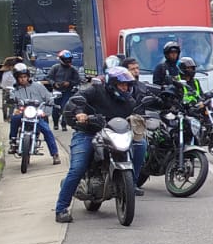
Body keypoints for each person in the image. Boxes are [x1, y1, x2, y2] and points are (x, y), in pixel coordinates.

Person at [54, 66, 146, 223]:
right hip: (88, 132)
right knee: (78, 167)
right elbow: (77, 99)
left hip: (115, 133)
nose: (125, 88)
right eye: (122, 85)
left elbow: (139, 110)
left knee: (141, 144)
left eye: (127, 85)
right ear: (112, 84)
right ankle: (61, 208)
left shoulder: (129, 101)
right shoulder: (96, 90)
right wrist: (79, 113)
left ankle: (132, 182)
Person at [6, 63, 60, 164]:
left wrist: (45, 111)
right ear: (16, 78)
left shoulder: (38, 86)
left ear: (28, 76)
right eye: (20, 77)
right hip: (23, 113)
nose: (23, 79)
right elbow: (10, 98)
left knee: (47, 130)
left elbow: (49, 98)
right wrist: (12, 102)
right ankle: (13, 142)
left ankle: (55, 154)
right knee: (14, 118)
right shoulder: (15, 89)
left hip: (37, 115)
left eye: (24, 77)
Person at [46, 49, 83, 120]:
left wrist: (69, 83)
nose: (68, 61)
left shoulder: (73, 69)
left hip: (68, 91)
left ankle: (64, 123)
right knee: (56, 107)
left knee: (65, 106)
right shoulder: (55, 67)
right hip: (57, 91)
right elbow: (49, 77)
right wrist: (54, 84)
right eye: (66, 59)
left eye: (69, 59)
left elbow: (78, 80)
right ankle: (55, 123)